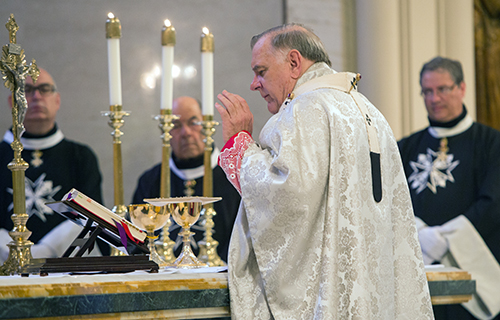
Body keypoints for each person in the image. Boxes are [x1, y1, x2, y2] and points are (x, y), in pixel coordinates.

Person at [214, 23, 433, 319]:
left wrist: (239, 144)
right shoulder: (369, 111)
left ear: (294, 62)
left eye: (261, 71)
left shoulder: (303, 112)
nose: (254, 84)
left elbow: (284, 196)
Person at [398, 56, 500, 320]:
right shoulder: (405, 147)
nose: (434, 98)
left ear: (462, 88)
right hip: (418, 270)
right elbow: (392, 201)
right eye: (427, 91)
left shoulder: (491, 143)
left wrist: (444, 238)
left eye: (442, 89)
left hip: (471, 273)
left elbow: (493, 203)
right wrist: (419, 234)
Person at [0, 67, 107, 263]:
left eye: (45, 89)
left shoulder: (81, 157)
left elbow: (93, 219)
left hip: (68, 268)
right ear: (11, 102)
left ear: (57, 101)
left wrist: (46, 250)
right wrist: (12, 250)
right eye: (27, 90)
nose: (37, 96)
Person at [132, 96, 240, 263]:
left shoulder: (233, 176)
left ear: (207, 125)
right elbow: (137, 243)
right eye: (175, 126)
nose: (186, 133)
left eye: (193, 122)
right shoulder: (151, 181)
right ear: (165, 133)